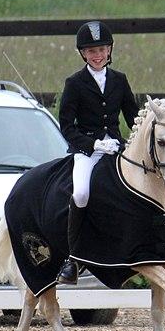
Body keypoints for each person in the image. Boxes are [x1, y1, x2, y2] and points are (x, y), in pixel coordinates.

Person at [56, 20, 139, 284]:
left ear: (110, 49)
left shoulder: (120, 80)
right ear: (83, 54)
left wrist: (128, 143)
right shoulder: (75, 83)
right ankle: (73, 259)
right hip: (88, 150)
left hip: (115, 147)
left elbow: (134, 118)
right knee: (81, 193)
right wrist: (93, 145)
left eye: (102, 49)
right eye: (92, 51)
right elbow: (67, 127)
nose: (98, 55)